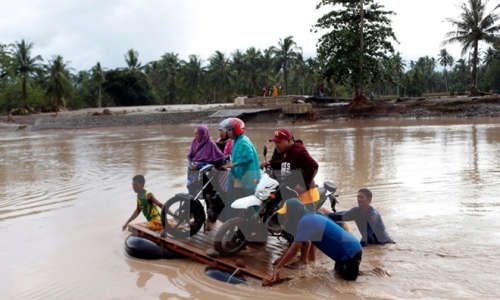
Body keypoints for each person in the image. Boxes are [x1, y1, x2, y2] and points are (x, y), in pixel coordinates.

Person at [262, 128, 321, 268]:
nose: (276, 145)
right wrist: (270, 163)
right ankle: (311, 259)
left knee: (302, 225)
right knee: (303, 224)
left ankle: (304, 260)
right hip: (298, 195)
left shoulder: (298, 150)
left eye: (279, 142)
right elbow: (285, 165)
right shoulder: (288, 152)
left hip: (307, 196)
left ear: (289, 140)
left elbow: (314, 165)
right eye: (275, 142)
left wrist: (304, 185)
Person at [268, 198, 362, 282]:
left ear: (294, 211)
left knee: (347, 285)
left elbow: (294, 249)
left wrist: (278, 267)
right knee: (338, 278)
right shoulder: (309, 217)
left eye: (287, 213)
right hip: (348, 251)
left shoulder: (305, 221)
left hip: (349, 253)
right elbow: (302, 243)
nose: (286, 217)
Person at [319, 188, 395, 247]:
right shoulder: (356, 211)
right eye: (358, 197)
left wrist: (359, 248)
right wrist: (323, 212)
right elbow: (339, 216)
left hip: (385, 244)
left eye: (361, 197)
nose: (358, 199)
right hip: (371, 243)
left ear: (369, 200)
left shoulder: (373, 214)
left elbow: (367, 234)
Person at [220, 117, 261, 221]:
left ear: (236, 130)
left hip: (247, 177)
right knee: (239, 199)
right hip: (241, 176)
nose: (227, 132)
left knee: (250, 201)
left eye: (229, 130)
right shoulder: (237, 141)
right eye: (227, 130)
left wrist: (234, 164)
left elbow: (249, 156)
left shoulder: (243, 141)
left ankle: (256, 224)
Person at [187, 125, 227, 230]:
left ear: (203, 134)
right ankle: (196, 217)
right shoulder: (194, 142)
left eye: (197, 133)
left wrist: (201, 164)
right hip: (194, 172)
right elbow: (190, 156)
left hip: (206, 173)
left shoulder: (210, 144)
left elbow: (219, 159)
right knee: (192, 193)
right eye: (194, 133)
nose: (195, 135)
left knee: (208, 195)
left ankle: (209, 220)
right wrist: (191, 166)